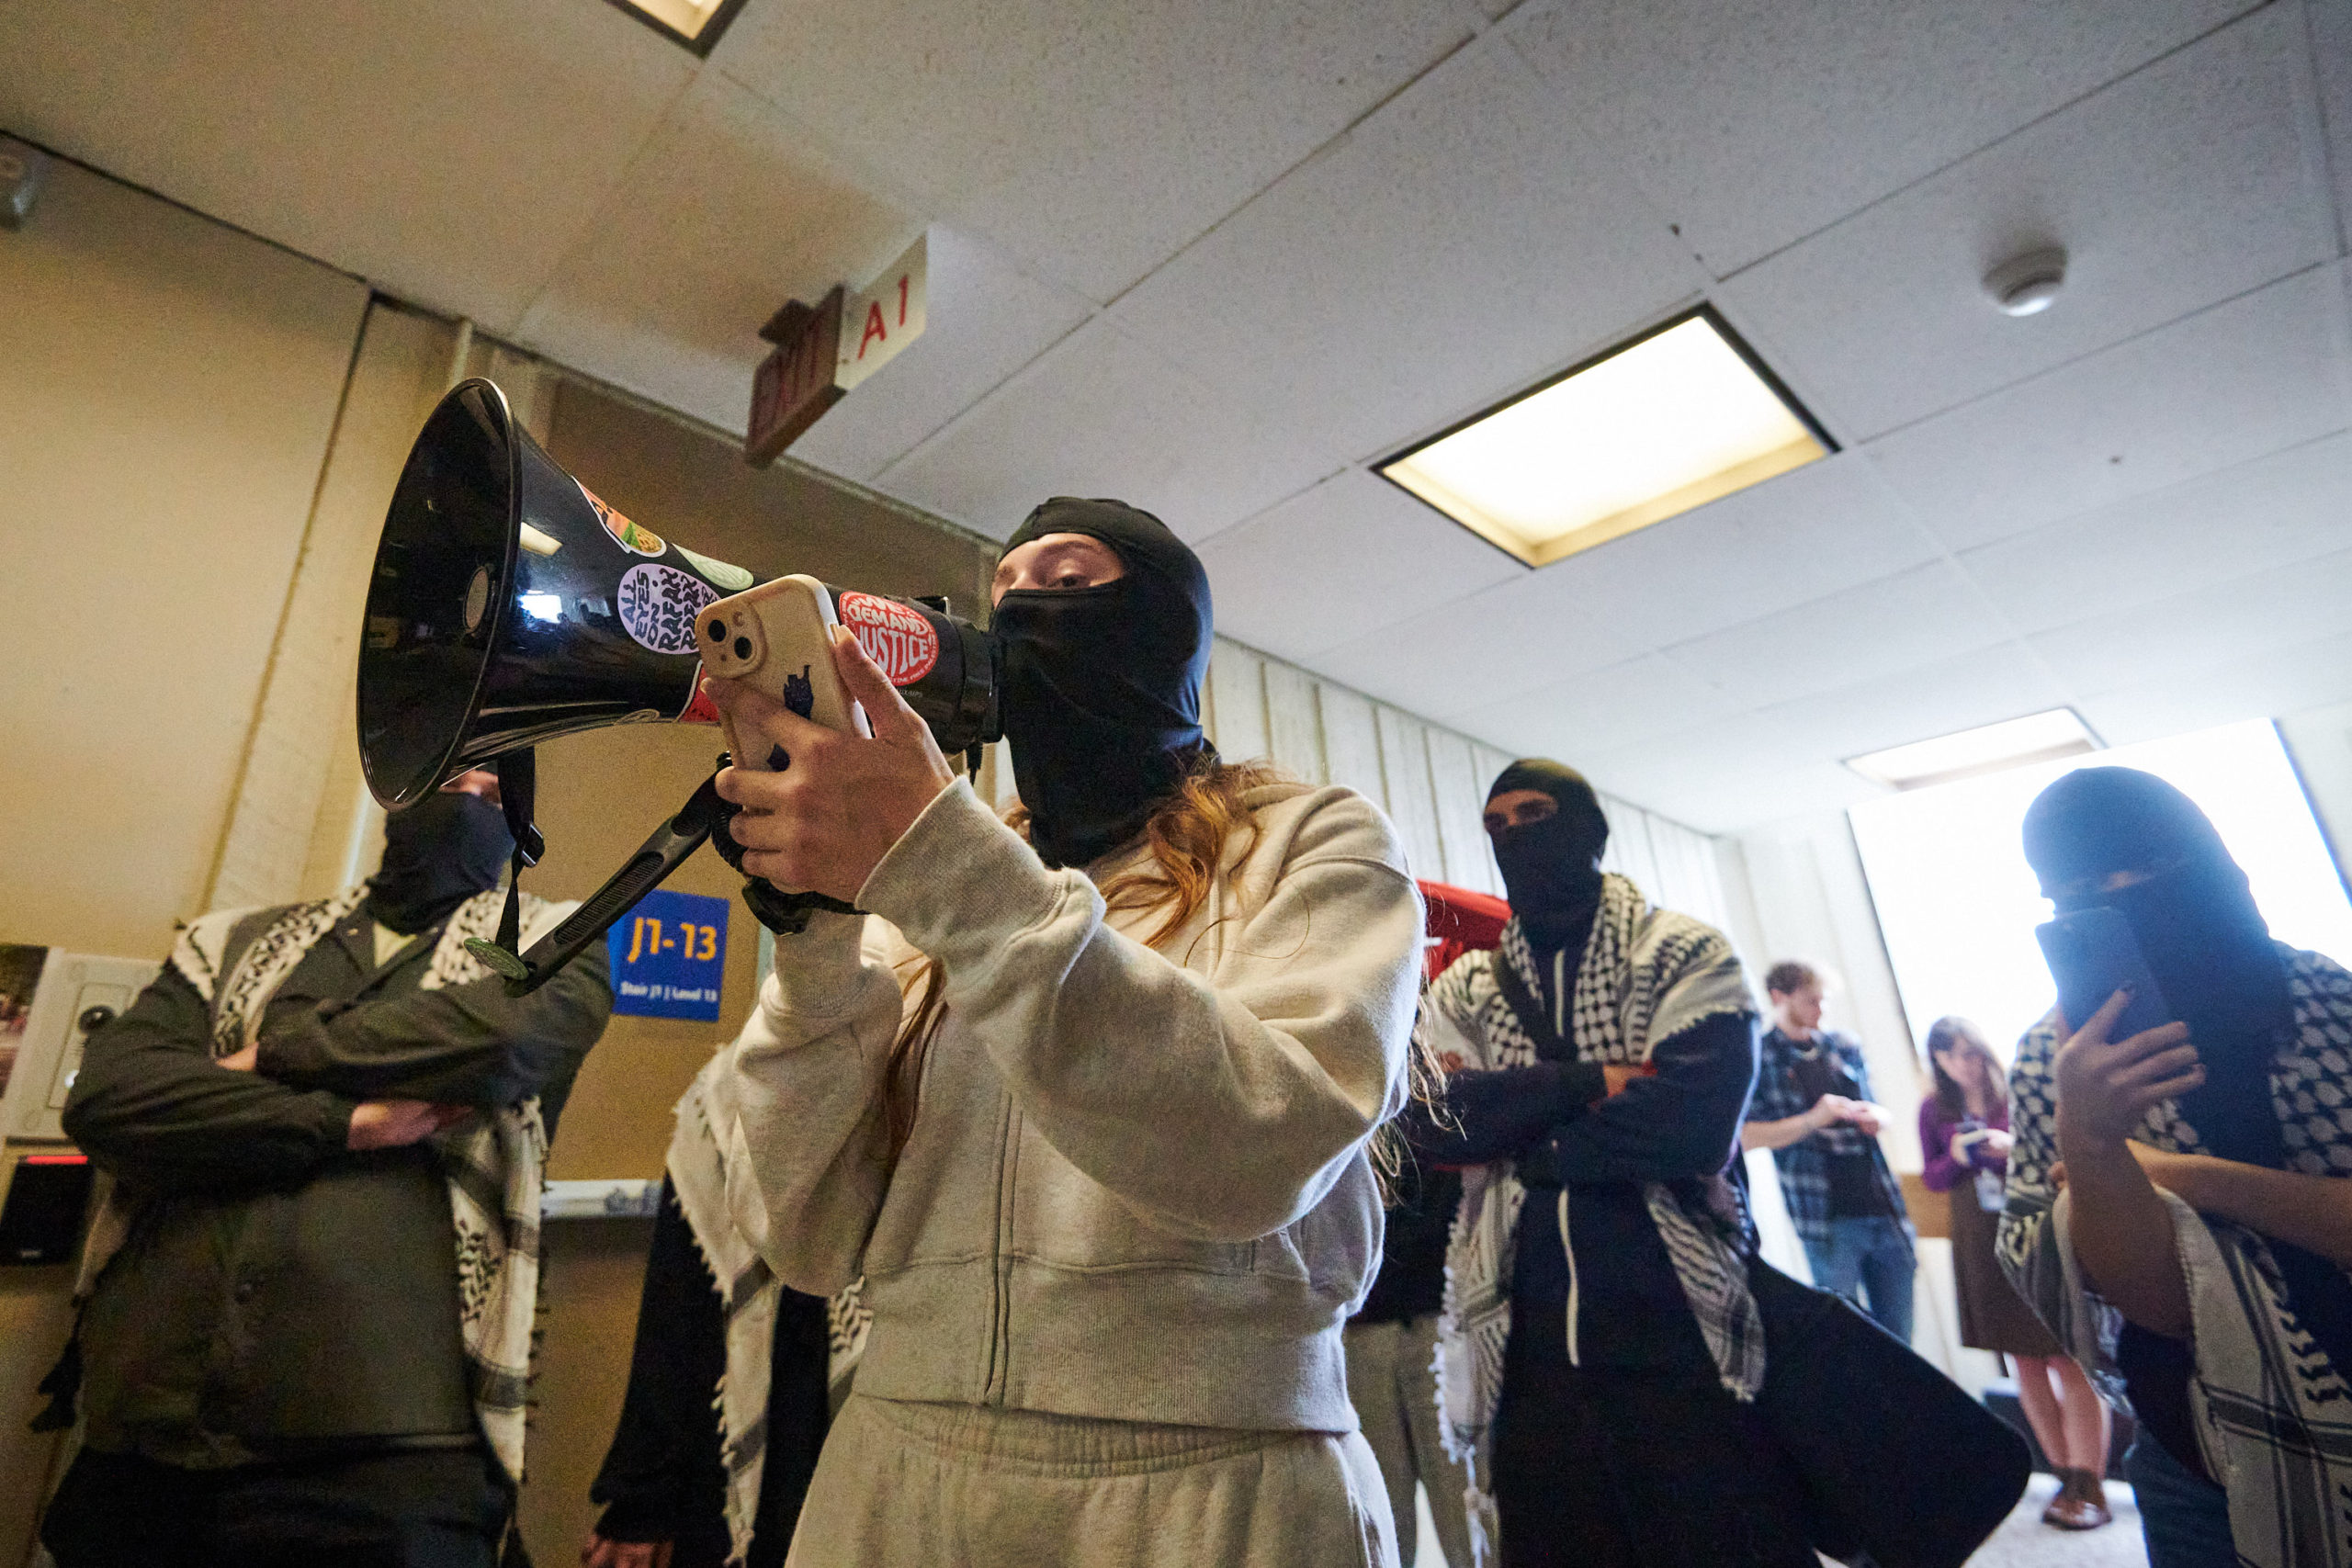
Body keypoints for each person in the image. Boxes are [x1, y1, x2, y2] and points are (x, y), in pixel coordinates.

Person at [701, 498, 1422, 1567]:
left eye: (1072, 583)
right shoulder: (943, 880)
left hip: (1214, 1485)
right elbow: (808, 1241)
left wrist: (946, 863)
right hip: (899, 1471)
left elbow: (1261, 1148)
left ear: (1169, 632)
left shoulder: (1313, 841)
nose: (1024, 607)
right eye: (1005, 592)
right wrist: (815, 943)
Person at [43, 768, 613, 1567]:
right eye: (451, 781)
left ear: (521, 831)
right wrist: (345, 1122)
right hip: (145, 1444)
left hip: (390, 1467)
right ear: (399, 794)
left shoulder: (520, 941)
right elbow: (111, 1098)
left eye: (493, 799)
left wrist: (274, 1050)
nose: (468, 808)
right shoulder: (240, 942)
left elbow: (509, 1034)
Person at [1408, 760, 1811, 1568]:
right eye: (1497, 825)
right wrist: (1594, 1080)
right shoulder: (1469, 987)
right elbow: (1430, 1126)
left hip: (1680, 1319)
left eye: (1536, 812)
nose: (1516, 834)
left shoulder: (1684, 952)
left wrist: (1520, 1133)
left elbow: (1692, 1127)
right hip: (1522, 1339)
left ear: (1588, 827)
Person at [1999, 766, 2352, 1568]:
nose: (2126, 896)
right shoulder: (2061, 1056)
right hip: (2201, 1450)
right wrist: (2090, 1140)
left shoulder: (2330, 998)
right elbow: (2157, 1306)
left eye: (2153, 867)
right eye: (2086, 885)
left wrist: (2176, 1172)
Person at [582, 1050, 867, 1568]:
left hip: (890, 1450)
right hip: (743, 1455)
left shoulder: (960, 1079)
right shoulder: (732, 1088)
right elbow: (679, 1310)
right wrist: (642, 1505)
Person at [1917, 1016, 2110, 1530]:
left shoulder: (2019, 1093)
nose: (1965, 1063)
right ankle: (2066, 1477)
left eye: (1971, 1051)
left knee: (2069, 1361)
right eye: (1951, 1055)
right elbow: (1933, 1176)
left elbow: (2054, 1155)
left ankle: (2092, 1482)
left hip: (2034, 1230)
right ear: (1937, 1060)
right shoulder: (1935, 1109)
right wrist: (1957, 1156)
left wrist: (2010, 1152)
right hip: (1980, 1242)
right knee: (2023, 1363)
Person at [1742, 962, 1916, 1342]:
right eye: (1810, 1001)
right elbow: (1747, 1137)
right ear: (1778, 997)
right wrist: (1814, 1119)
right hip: (1827, 1220)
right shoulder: (1762, 1056)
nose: (1820, 1010)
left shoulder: (1843, 1045)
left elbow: (1881, 1109)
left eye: (1824, 1000)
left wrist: (1876, 1117)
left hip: (1884, 1209)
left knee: (1902, 1342)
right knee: (1848, 1340)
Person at [1344, 1157, 1474, 1568]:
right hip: (1362, 1330)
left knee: (1468, 1522)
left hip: (1438, 1321)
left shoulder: (1449, 1099)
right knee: (1379, 1531)